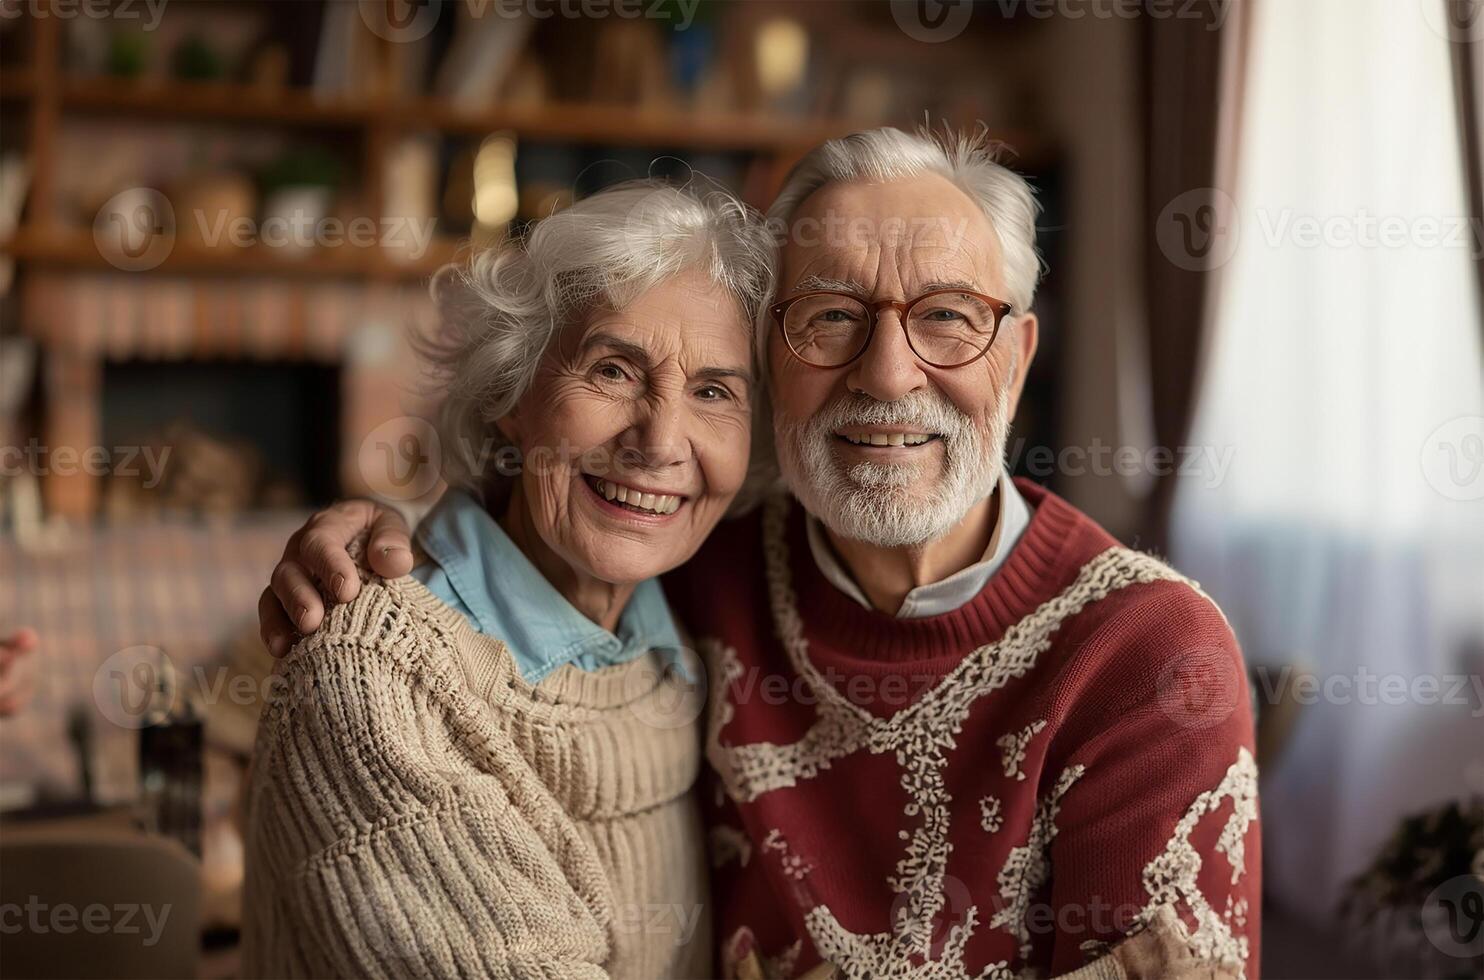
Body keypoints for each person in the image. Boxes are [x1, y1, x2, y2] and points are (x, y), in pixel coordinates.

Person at [260, 127, 1260, 980]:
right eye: (830, 316)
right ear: (781, 356)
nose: (885, 373)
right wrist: (389, 537)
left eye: (948, 317)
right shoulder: (706, 572)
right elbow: (528, 547)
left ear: (1018, 354)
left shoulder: (1147, 657)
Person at [242, 180, 772, 979]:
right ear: (509, 393)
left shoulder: (693, 632)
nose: (661, 441)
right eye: (614, 370)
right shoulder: (371, 679)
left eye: (713, 392)